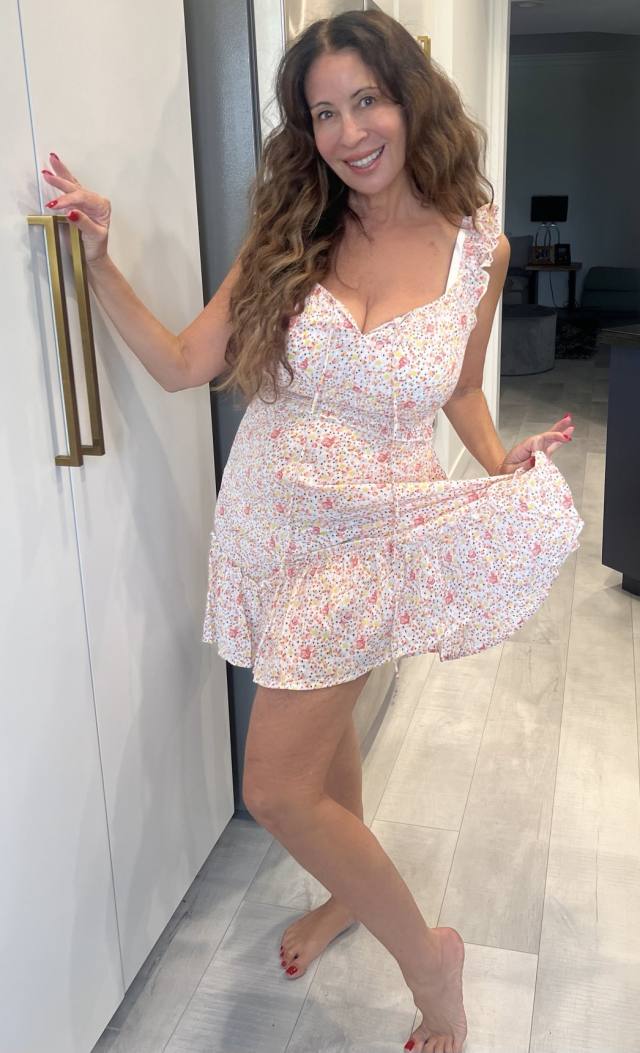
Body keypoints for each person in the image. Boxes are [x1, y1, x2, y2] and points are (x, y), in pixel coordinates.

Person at [41, 11, 583, 1052]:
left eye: (366, 100)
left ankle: (429, 960)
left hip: (371, 539)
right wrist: (100, 260)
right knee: (321, 735)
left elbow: (461, 388)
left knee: (277, 789)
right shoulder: (291, 233)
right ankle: (345, 895)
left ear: (410, 99)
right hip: (270, 520)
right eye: (323, 113)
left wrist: (496, 458)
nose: (348, 132)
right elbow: (182, 363)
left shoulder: (480, 249)